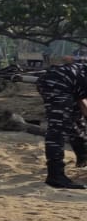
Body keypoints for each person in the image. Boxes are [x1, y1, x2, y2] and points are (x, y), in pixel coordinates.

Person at [37, 59, 87, 189]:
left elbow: (82, 100)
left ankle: (83, 158)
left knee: (76, 120)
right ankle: (55, 176)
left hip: (70, 86)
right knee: (58, 127)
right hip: (57, 83)